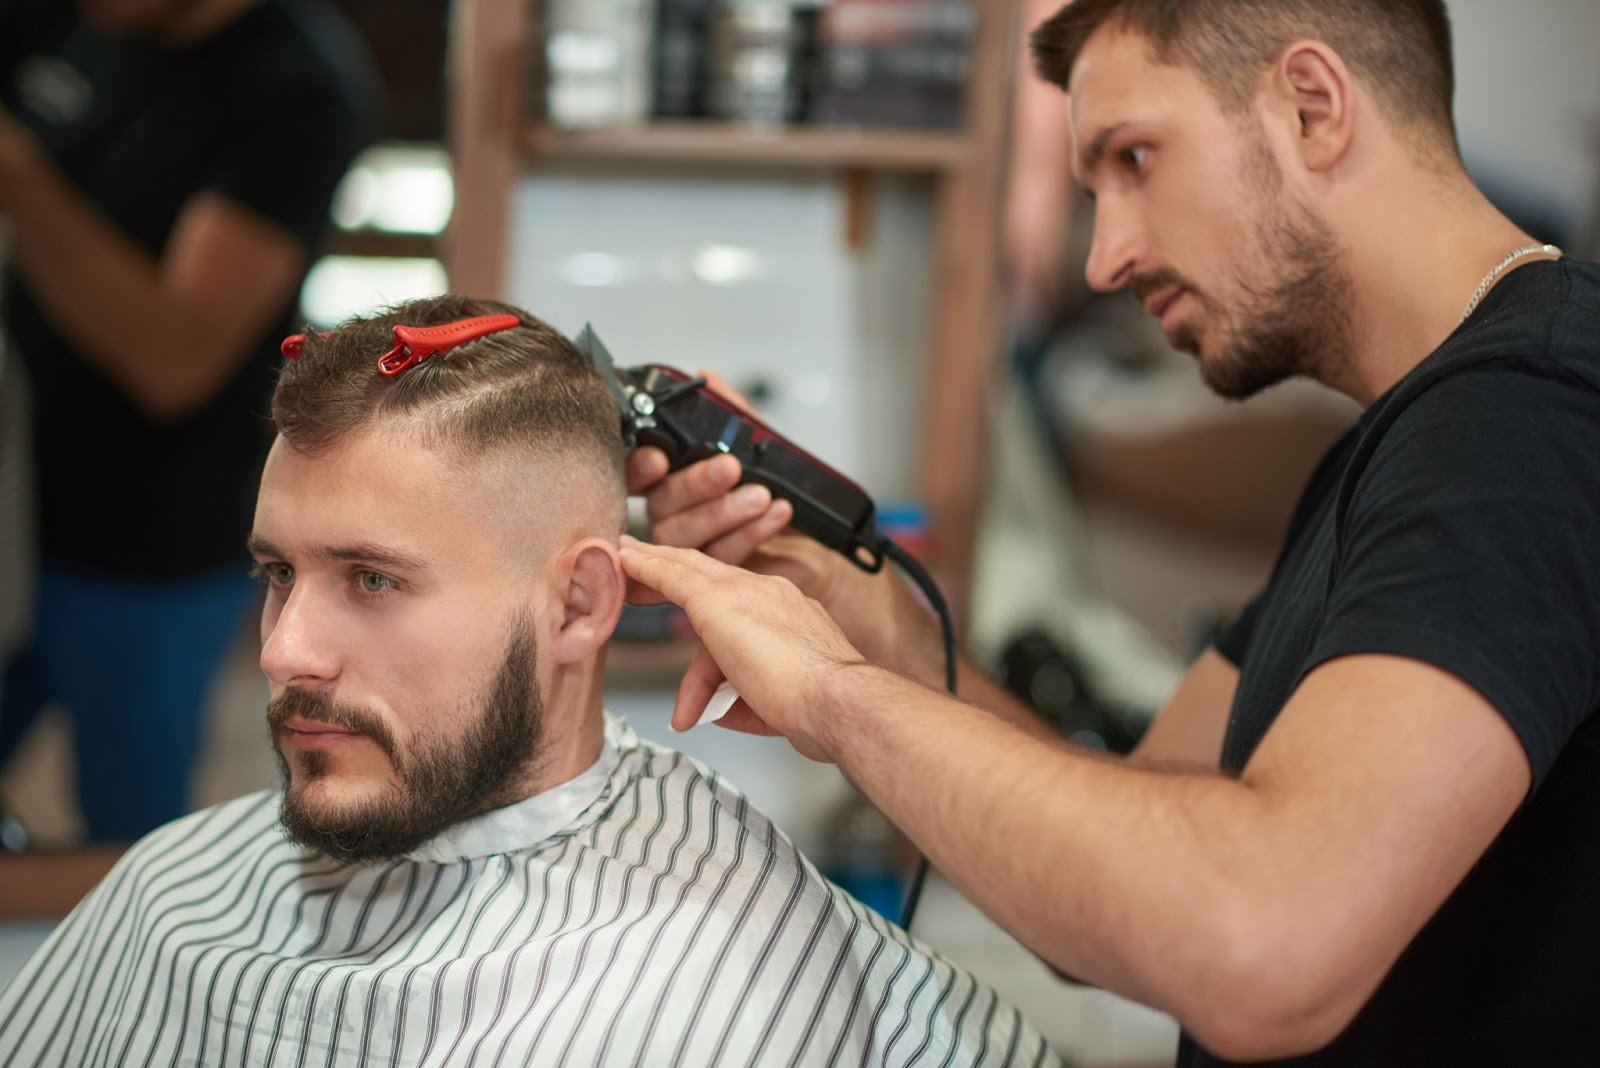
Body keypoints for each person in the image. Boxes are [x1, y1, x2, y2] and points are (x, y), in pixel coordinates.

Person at [619, 1, 1600, 1064]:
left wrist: (829, 695)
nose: (1104, 257)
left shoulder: (1523, 416)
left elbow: (1255, 943)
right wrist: (876, 632)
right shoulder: (1394, 446)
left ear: (1312, 107)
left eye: (1135, 157)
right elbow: (1149, 843)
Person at [0, 295, 1060, 1067]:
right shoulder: (172, 893)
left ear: (578, 606)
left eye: (371, 578)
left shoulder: (739, 966)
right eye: (279, 573)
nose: (284, 651)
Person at [0, 0, 374, 841]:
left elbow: (173, 359)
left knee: (133, 841)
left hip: (151, 550)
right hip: (21, 514)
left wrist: (17, 175)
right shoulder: (67, 24)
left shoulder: (291, 92)